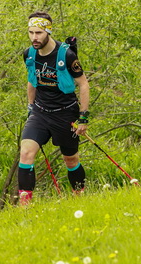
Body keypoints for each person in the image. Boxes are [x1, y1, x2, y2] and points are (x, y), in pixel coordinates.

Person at [18, 11, 90, 205]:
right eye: (31, 32)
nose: (34, 37)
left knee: (71, 160)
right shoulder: (29, 54)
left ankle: (79, 198)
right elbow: (31, 80)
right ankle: (24, 207)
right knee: (26, 153)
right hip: (40, 112)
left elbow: (83, 84)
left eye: (39, 33)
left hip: (65, 114)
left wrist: (83, 117)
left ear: (48, 32)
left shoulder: (66, 55)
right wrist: (30, 107)